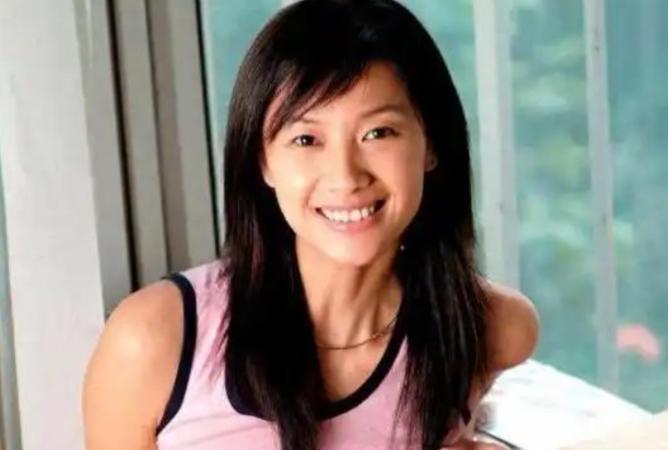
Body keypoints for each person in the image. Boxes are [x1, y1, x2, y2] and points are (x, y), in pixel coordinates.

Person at [82, 0, 539, 449]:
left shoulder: (490, 329)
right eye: (306, 139)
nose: (346, 176)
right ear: (262, 161)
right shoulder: (154, 339)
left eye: (378, 133)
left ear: (431, 146)